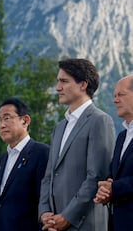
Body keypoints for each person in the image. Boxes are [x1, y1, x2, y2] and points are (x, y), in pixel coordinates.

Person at [39, 58, 115, 231]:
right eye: (58, 81)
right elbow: (48, 176)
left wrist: (67, 217)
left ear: (83, 85)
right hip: (53, 224)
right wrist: (44, 212)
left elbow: (96, 176)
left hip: (85, 223)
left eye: (64, 81)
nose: (58, 88)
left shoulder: (100, 120)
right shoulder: (59, 128)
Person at [0, 97, 49, 231]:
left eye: (7, 118)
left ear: (25, 121)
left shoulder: (41, 153)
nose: (2, 125)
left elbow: (45, 201)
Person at [94, 75, 133, 231]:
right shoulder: (122, 136)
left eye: (121, 95)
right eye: (114, 96)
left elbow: (116, 185)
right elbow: (113, 176)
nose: (115, 100)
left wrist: (114, 188)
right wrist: (105, 188)